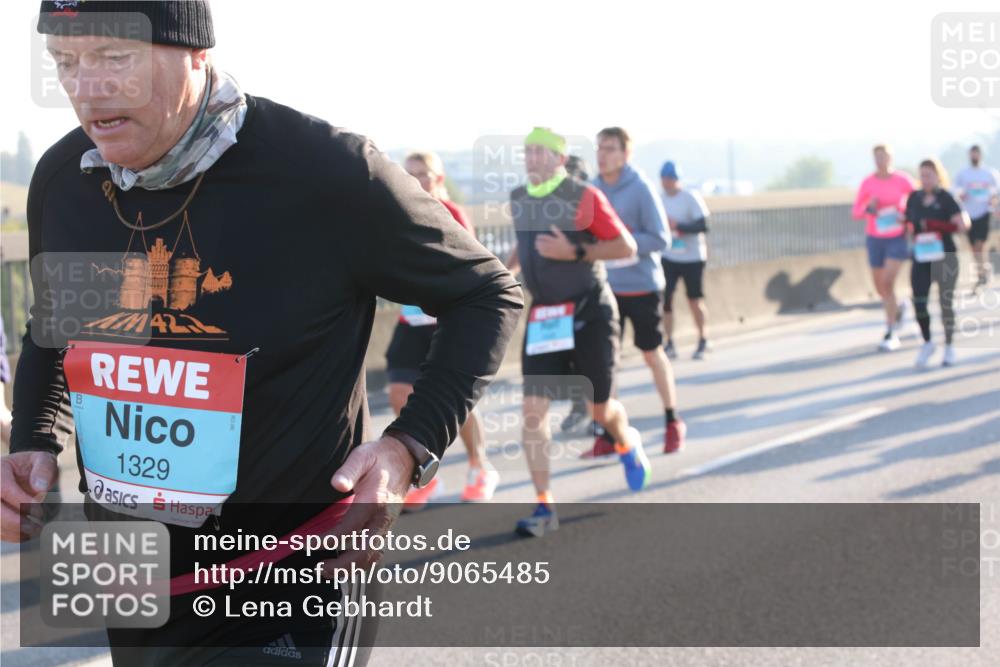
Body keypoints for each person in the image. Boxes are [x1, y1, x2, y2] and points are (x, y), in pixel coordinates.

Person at [2, 4, 521, 665]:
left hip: (293, 575)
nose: (87, 88)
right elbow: (55, 335)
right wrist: (35, 444)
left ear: (195, 52)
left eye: (114, 58)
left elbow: (485, 292)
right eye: (66, 64)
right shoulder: (66, 181)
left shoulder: (326, 173)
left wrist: (403, 450)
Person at [505, 127, 651, 538]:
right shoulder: (519, 199)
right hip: (546, 318)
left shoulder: (583, 196)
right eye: (527, 151)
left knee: (599, 410)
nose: (531, 158)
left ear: (559, 158)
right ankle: (544, 505)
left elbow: (626, 246)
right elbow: (522, 246)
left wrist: (576, 252)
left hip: (589, 312)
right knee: (533, 412)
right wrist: (501, 274)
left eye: (540, 152)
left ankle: (626, 441)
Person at [389, 151, 499, 506]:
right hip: (411, 317)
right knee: (399, 392)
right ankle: (423, 474)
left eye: (424, 174)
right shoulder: (396, 211)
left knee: (453, 403)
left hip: (445, 320)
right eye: (410, 174)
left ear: (439, 179)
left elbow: (471, 269)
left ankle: (480, 466)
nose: (417, 181)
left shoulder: (452, 214)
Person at [592, 128, 686, 455]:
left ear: (625, 154)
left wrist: (624, 245)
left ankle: (672, 420)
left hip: (642, 287)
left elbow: (662, 238)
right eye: (599, 148)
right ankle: (609, 435)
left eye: (609, 148)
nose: (602, 154)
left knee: (651, 354)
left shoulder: (641, 188)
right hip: (606, 289)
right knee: (607, 362)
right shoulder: (592, 189)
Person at [905, 159, 970, 369]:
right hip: (922, 256)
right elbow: (907, 223)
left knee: (945, 303)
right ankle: (927, 342)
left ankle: (949, 345)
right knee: (919, 301)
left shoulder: (947, 198)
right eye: (922, 175)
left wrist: (937, 225)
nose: (925, 179)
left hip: (945, 256)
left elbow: (962, 224)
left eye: (929, 175)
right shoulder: (914, 198)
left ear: (938, 176)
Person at [852, 144, 914, 351]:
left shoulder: (903, 180)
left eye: (884, 156)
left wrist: (905, 214)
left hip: (896, 237)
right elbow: (857, 211)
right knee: (880, 287)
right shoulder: (868, 183)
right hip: (875, 237)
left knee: (888, 282)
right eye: (877, 157)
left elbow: (916, 202)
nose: (881, 160)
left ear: (891, 158)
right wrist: (869, 208)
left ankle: (890, 330)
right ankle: (897, 309)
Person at [659, 161, 712, 360]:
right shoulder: (660, 199)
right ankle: (669, 341)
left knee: (694, 299)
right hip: (669, 256)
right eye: (664, 179)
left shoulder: (690, 197)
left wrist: (679, 226)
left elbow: (703, 225)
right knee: (666, 300)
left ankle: (703, 338)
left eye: (670, 179)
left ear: (677, 180)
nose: (667, 183)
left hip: (692, 257)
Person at [954, 144, 999, 291]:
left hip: (984, 212)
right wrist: (960, 194)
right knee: (974, 246)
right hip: (968, 213)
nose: (974, 156)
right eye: (972, 153)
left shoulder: (989, 173)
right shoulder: (963, 173)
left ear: (980, 155)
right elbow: (955, 189)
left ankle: (981, 272)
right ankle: (982, 270)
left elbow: (996, 191)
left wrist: (993, 201)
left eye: (976, 153)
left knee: (980, 244)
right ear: (969, 155)